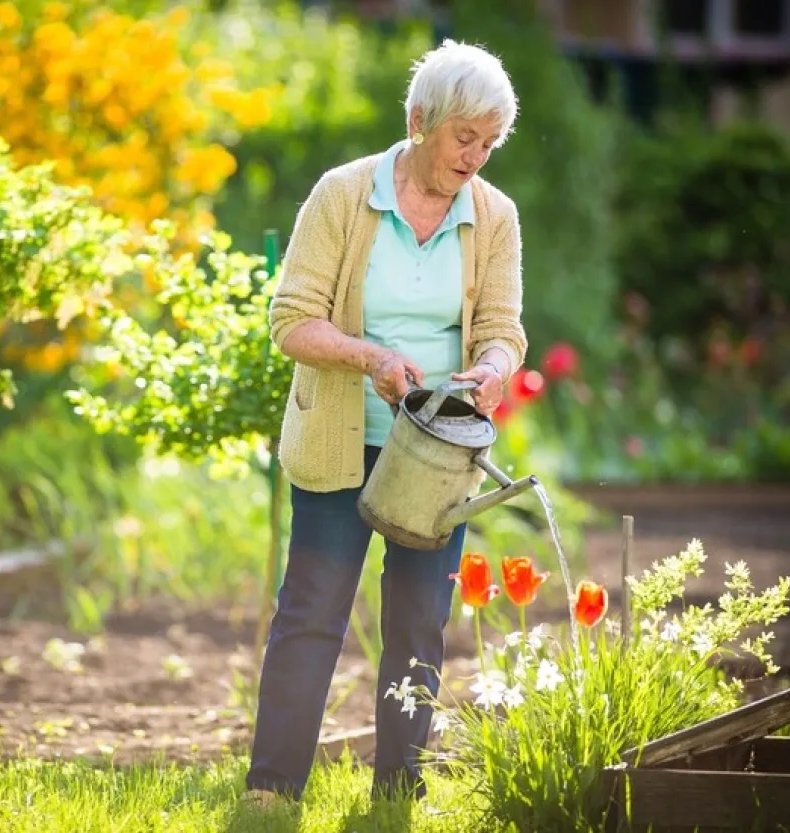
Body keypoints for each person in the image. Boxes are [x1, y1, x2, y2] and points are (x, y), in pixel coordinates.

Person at [243, 39, 528, 804]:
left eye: (489, 142)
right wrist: (371, 357)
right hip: (343, 440)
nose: (475, 157)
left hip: (436, 455)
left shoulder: (493, 216)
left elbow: (504, 327)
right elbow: (291, 321)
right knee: (312, 612)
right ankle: (271, 789)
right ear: (418, 120)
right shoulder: (342, 196)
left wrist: (494, 369)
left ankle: (398, 793)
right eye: (464, 137)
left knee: (418, 621)